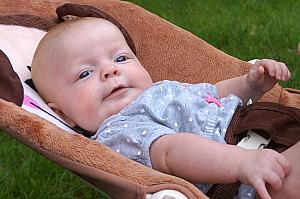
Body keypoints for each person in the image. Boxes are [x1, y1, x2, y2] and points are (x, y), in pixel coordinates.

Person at [31, 17, 298, 199]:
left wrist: (250, 84)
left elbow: (215, 94)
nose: (110, 70)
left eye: (121, 58)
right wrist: (242, 163)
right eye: (85, 74)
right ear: (62, 113)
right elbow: (171, 151)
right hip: (250, 175)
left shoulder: (163, 90)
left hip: (270, 131)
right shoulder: (117, 131)